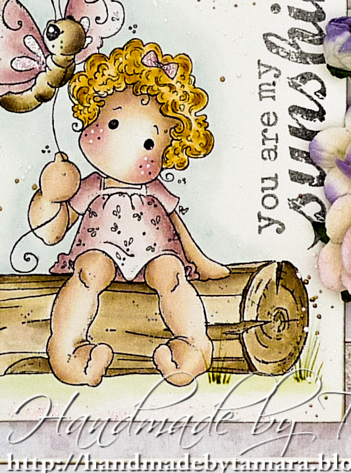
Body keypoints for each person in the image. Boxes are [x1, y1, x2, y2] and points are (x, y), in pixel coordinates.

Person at [28, 39, 229, 387]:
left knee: (172, 275)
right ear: (92, 113)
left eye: (149, 143)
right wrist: (49, 197)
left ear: (168, 152)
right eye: (113, 126)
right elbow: (53, 231)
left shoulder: (154, 191)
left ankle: (193, 345)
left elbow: (177, 227)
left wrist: (201, 262)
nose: (125, 148)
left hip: (155, 253)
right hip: (100, 251)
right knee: (88, 273)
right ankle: (66, 349)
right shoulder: (92, 186)